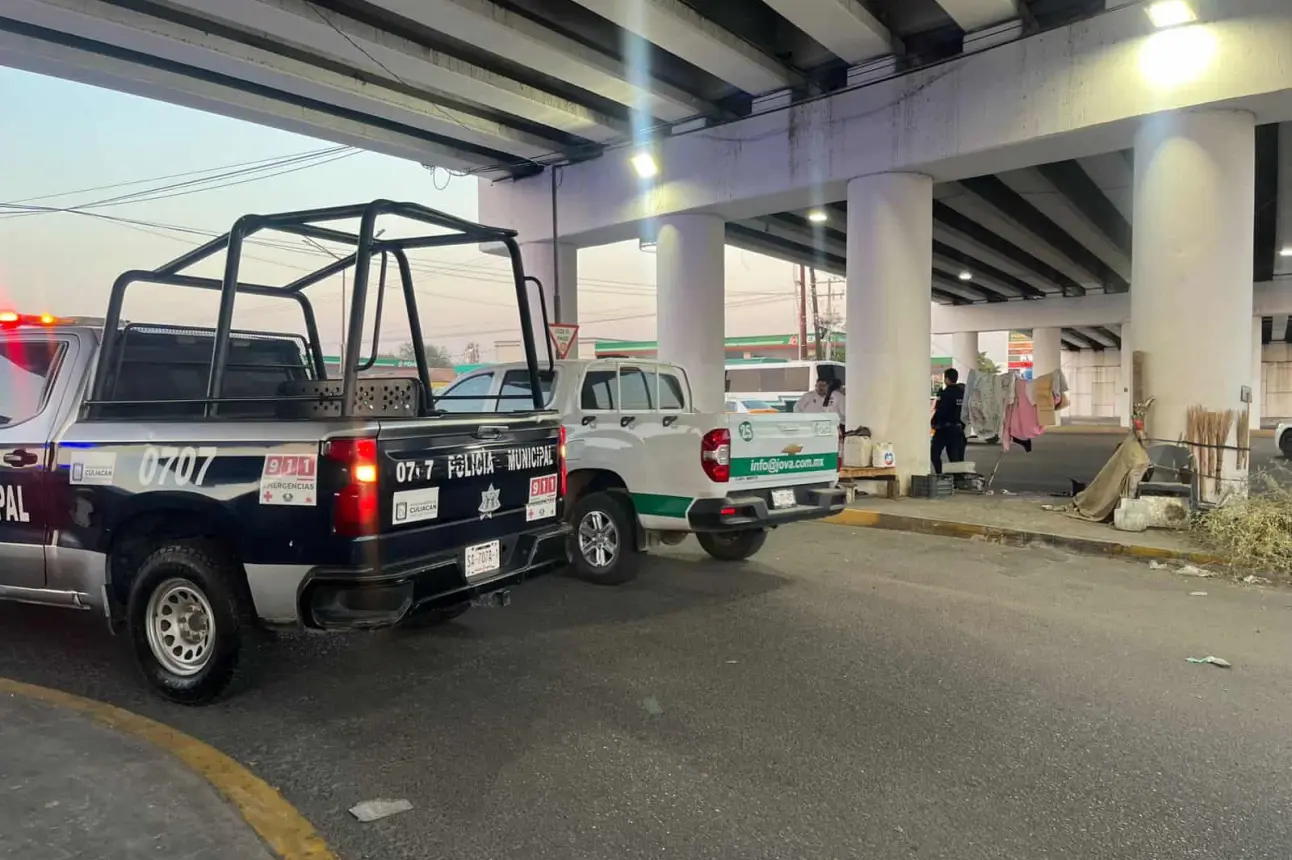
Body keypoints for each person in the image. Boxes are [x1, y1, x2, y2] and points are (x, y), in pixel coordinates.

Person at [930, 368, 967, 475]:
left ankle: (941, 475)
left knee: (934, 454)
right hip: (958, 430)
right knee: (955, 459)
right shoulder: (963, 393)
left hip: (944, 430)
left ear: (946, 379)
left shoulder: (945, 394)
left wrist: (934, 423)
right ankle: (956, 481)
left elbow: (941, 411)